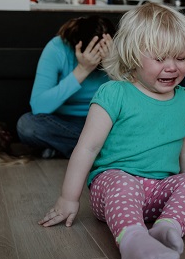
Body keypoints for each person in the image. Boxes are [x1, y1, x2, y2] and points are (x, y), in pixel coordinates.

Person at [39, 3, 185, 259]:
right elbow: (87, 149)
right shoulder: (113, 93)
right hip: (114, 187)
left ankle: (167, 227)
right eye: (160, 59)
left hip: (159, 191)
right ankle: (133, 240)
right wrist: (69, 198)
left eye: (181, 58)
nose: (172, 67)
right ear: (133, 55)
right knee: (122, 182)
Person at [16, 15, 116, 159]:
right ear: (78, 45)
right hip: (64, 123)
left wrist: (111, 66)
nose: (97, 58)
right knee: (26, 125)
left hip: (103, 122)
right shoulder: (57, 47)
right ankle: (97, 151)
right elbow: (38, 106)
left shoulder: (116, 50)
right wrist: (82, 70)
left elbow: (133, 103)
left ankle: (66, 149)